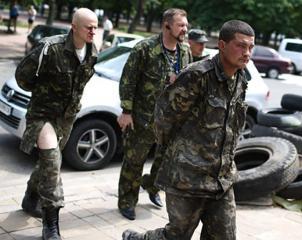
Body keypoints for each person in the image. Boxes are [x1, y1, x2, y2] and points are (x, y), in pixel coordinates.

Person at [122, 19, 255, 240]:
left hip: (221, 179)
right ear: (222, 45)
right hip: (188, 178)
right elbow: (164, 119)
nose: (247, 52)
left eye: (251, 47)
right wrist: (182, 155)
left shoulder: (241, 79)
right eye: (241, 46)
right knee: (177, 235)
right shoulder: (197, 76)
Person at [15, 8, 98, 240]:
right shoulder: (50, 48)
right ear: (74, 26)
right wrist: (43, 94)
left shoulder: (93, 52)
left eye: (95, 26)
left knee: (49, 162)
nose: (93, 31)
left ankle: (30, 197)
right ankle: (51, 225)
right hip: (43, 114)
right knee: (53, 162)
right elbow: (23, 77)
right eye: (88, 27)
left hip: (67, 118)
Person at [117, 8, 192, 220]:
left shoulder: (185, 52)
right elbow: (128, 80)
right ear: (166, 25)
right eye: (180, 25)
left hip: (171, 120)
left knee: (165, 160)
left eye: (186, 25)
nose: (185, 29)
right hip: (143, 118)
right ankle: (127, 201)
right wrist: (126, 111)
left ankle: (152, 187)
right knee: (134, 161)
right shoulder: (145, 49)